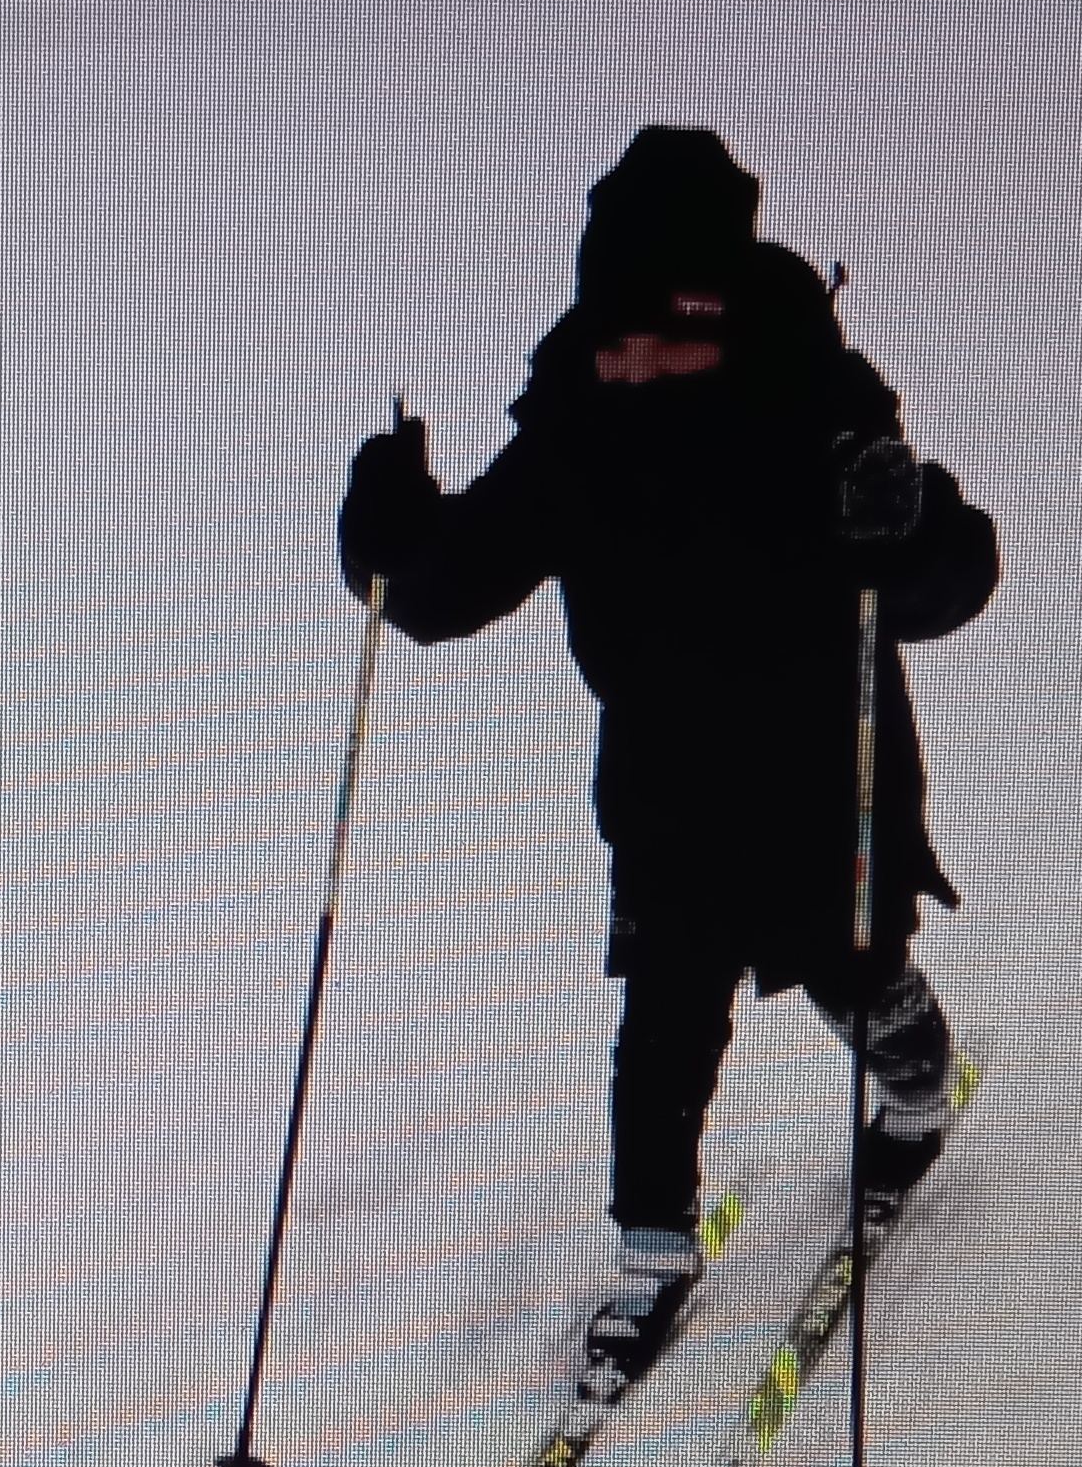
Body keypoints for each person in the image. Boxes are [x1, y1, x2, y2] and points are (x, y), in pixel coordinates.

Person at [336, 123, 1001, 1380]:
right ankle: (652, 1252)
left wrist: (902, 531)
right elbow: (440, 590)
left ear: (726, 314)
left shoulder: (817, 408)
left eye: (673, 332)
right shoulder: (581, 423)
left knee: (847, 967)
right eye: (620, 336)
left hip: (826, 769)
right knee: (663, 1016)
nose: (641, 361)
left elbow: (947, 578)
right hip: (665, 780)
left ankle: (916, 1085)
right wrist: (384, 530)